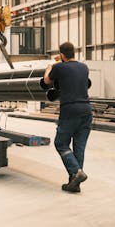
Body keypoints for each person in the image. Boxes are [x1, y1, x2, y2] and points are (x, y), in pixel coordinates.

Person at [44, 41, 92, 193]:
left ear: (62, 54)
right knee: (79, 147)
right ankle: (74, 183)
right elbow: (72, 74)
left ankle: (77, 172)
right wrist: (62, 61)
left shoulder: (59, 67)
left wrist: (50, 67)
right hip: (86, 110)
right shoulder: (84, 67)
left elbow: (46, 81)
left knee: (61, 143)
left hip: (70, 110)